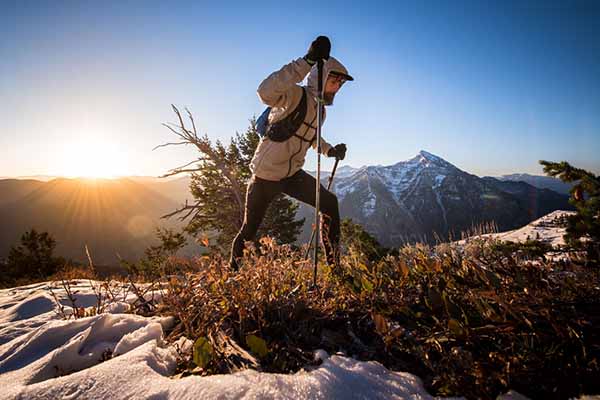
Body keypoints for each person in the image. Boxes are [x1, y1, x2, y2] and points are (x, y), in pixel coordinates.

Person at [229, 35, 354, 271]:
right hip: (264, 177)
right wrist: (306, 61)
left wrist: (330, 151)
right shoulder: (294, 95)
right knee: (249, 230)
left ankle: (335, 267)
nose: (339, 86)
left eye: (341, 83)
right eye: (335, 80)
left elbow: (312, 137)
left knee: (329, 203)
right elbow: (265, 91)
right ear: (322, 76)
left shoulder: (321, 111)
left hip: (291, 176)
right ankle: (232, 274)